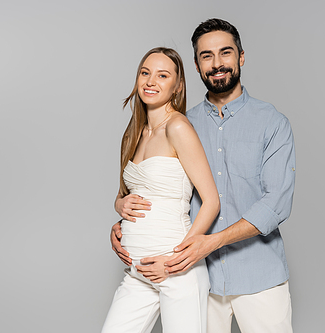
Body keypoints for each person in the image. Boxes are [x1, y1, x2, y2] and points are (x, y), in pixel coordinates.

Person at [111, 19, 296, 333]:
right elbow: (163, 190)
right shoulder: (184, 122)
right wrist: (125, 220)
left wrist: (208, 243)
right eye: (206, 56)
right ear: (196, 66)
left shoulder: (272, 122)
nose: (217, 63)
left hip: (258, 276)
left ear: (241, 57)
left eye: (225, 53)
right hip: (201, 276)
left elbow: (276, 203)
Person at [102, 47, 220, 333]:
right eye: (145, 73)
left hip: (176, 273)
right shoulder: (134, 132)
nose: (151, 82)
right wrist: (118, 207)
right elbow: (127, 192)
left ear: (177, 86)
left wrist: (174, 261)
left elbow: (211, 202)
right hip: (138, 272)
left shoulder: (178, 127)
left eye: (162, 75)